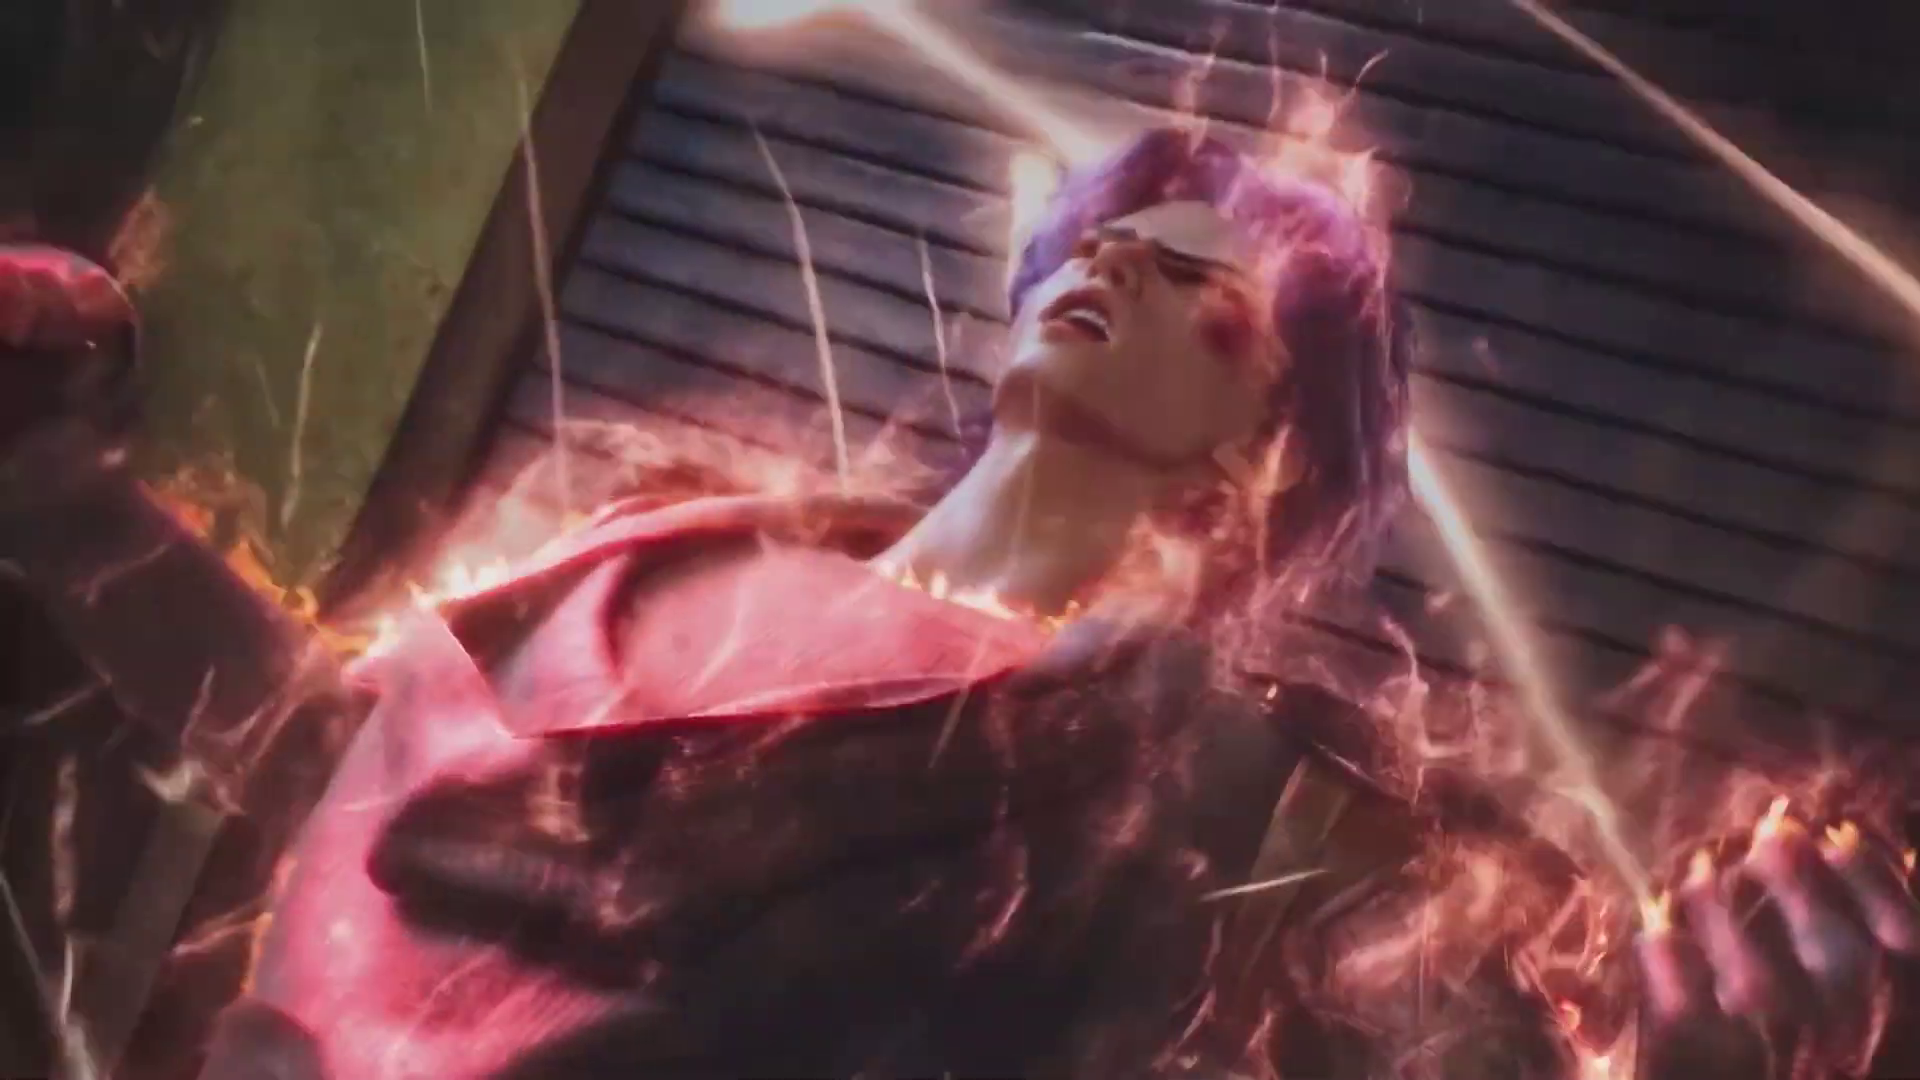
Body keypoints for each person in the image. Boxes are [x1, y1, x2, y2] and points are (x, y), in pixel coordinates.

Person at [1, 127, 1912, 1079]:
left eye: (1204, 292)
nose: (1121, 274)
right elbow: (325, 747)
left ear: (1263, 464)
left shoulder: (1217, 802)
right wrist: (60, 492)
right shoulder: (666, 539)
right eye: (1116, 245)